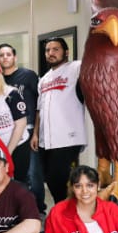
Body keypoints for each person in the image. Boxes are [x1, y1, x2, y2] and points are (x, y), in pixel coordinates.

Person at [30, 37, 87, 205]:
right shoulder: (44, 79)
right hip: (45, 139)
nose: (50, 53)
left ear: (66, 52)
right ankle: (62, 214)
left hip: (68, 137)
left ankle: (70, 215)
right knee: (51, 180)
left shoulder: (76, 68)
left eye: (55, 49)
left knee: (61, 180)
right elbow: (39, 109)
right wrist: (35, 134)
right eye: (48, 50)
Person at [0, 43, 43, 211]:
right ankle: (17, 208)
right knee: (12, 172)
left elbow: (39, 105)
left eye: (8, 54)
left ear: (14, 57)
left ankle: (38, 209)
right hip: (6, 132)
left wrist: (36, 132)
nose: (5, 58)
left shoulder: (28, 76)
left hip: (28, 130)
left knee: (32, 174)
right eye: (1, 55)